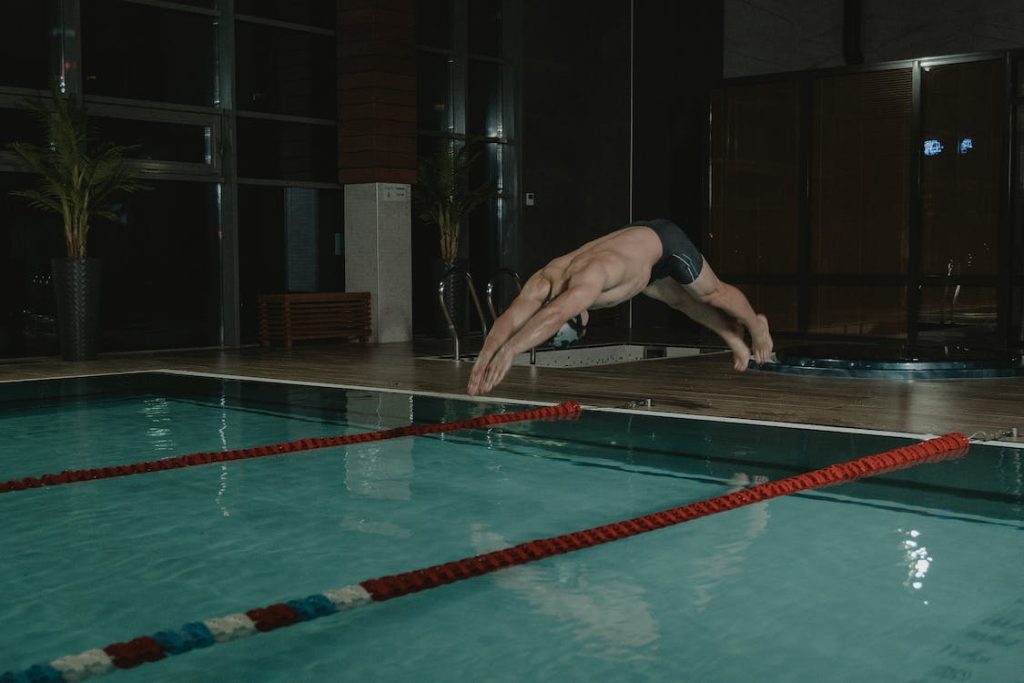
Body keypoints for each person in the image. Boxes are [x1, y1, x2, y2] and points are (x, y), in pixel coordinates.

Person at [466, 218, 773, 396]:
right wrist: (485, 357)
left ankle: (755, 325)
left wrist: (509, 351)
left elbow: (555, 314)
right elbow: (507, 319)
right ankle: (732, 337)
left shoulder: (586, 280)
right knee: (679, 300)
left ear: (576, 315)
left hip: (665, 243)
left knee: (712, 293)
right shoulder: (543, 283)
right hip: (640, 260)